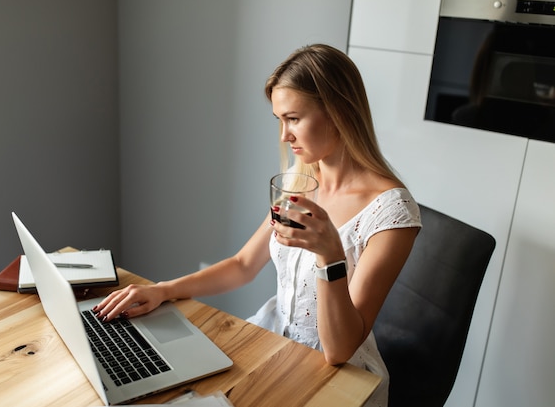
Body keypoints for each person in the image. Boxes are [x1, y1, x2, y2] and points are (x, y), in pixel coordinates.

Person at [93, 43, 422, 406]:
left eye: (294, 119)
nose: (284, 135)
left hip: (340, 379)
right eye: (280, 120)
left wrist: (330, 255)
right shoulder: (299, 180)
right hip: (274, 344)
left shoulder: (392, 213)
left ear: (339, 111)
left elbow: (339, 350)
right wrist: (163, 289)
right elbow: (243, 265)